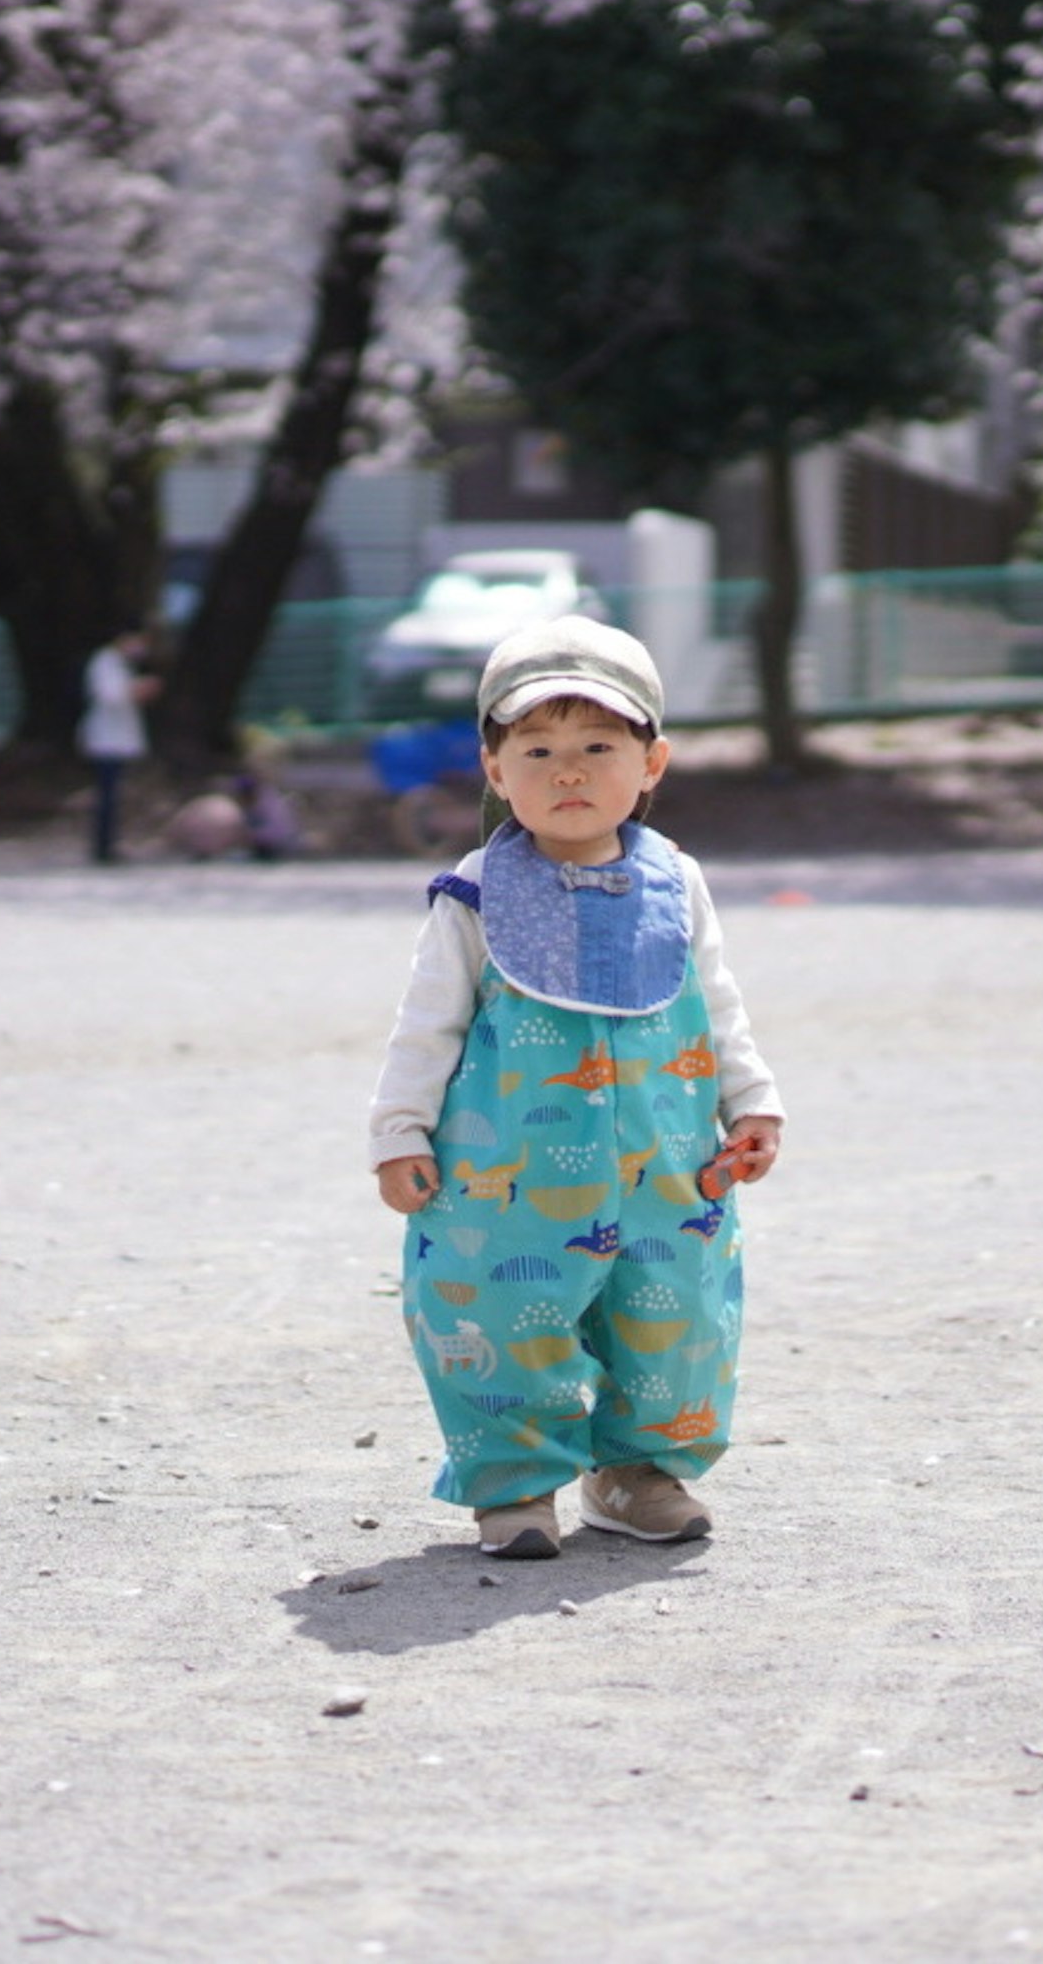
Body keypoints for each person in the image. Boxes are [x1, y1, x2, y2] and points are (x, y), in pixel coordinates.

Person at [363, 617, 785, 1560]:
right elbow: (425, 1025)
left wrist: (753, 1104)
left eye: (599, 747)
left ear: (653, 763)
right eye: (538, 749)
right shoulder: (475, 892)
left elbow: (718, 1005)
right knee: (502, 1314)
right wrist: (400, 1133)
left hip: (667, 1164)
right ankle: (515, 1486)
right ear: (493, 768)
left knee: (673, 1316)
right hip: (502, 1171)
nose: (568, 772)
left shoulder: (676, 881)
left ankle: (638, 1474)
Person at [80, 628, 157, 864]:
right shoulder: (105, 661)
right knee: (106, 796)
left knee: (113, 796)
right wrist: (136, 689)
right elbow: (109, 695)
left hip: (115, 739)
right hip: (106, 740)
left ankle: (109, 843)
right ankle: (103, 847)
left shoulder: (120, 664)